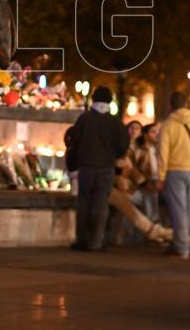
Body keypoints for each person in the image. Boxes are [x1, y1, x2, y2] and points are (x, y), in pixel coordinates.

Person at [69, 86, 129, 251]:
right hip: (106, 167)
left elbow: (73, 141)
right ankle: (96, 241)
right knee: (101, 204)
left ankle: (82, 239)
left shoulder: (84, 119)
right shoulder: (115, 122)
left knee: (84, 203)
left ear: (93, 99)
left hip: (86, 167)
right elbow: (123, 145)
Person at [158, 92, 190, 259]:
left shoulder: (168, 124)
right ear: (186, 104)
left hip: (175, 170)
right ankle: (181, 242)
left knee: (178, 210)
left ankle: (181, 247)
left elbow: (163, 152)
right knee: (187, 209)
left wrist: (161, 175)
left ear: (171, 105)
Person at [110, 120, 173, 244]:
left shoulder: (157, 149)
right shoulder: (131, 149)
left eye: (137, 128)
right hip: (130, 187)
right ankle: (157, 230)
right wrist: (145, 183)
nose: (157, 134)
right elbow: (129, 170)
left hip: (150, 184)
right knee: (149, 196)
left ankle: (161, 230)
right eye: (153, 131)